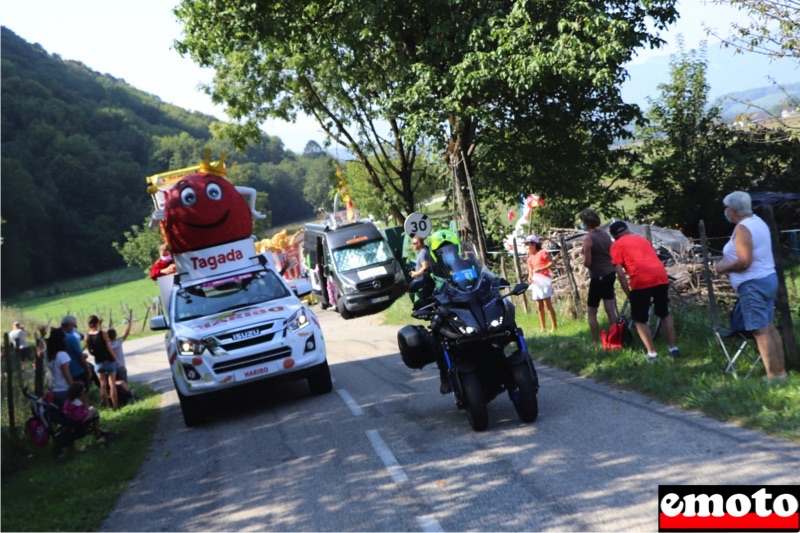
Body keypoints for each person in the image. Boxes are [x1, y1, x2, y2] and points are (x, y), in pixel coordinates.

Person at [715, 191, 787, 382]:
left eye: (726, 208)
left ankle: (773, 376)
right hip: (767, 278)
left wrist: (723, 266)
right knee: (769, 327)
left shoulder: (743, 229)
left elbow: (744, 262)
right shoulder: (757, 222)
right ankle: (781, 372)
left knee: (760, 330)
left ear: (732, 210)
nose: (725, 212)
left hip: (753, 283)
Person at [609, 221, 680, 360]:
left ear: (614, 236)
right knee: (664, 314)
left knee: (639, 319)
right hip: (660, 276)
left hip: (641, 280)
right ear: (627, 230)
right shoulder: (642, 239)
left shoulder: (616, 245)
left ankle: (652, 353)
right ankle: (673, 349)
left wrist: (629, 294)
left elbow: (621, 274)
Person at [578, 209, 619, 344]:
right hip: (610, 272)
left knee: (592, 311)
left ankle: (596, 341)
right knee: (610, 308)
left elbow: (588, 263)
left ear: (585, 222)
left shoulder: (588, 238)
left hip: (598, 275)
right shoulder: (605, 235)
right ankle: (616, 338)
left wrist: (583, 256)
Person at [524, 235, 557, 333]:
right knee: (539, 305)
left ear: (534, 244)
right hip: (536, 282)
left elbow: (552, 263)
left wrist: (541, 269)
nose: (526, 247)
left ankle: (554, 326)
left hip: (544, 280)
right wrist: (530, 277)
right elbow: (530, 271)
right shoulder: (530, 259)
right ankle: (543, 327)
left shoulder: (542, 253)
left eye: (528, 244)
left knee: (547, 304)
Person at [85, 315, 119, 410]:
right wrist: (115, 359)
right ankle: (115, 405)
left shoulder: (87, 337)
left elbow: (90, 351)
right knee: (112, 384)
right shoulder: (103, 334)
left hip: (98, 363)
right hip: (108, 360)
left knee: (102, 385)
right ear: (97, 323)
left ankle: (107, 405)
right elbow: (109, 348)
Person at [44, 328, 73, 405]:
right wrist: (73, 386)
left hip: (52, 389)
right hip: (64, 389)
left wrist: (42, 337)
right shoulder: (62, 355)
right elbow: (66, 374)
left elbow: (38, 352)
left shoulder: (46, 353)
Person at [61, 316, 92, 387]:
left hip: (64, 374)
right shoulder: (71, 338)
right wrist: (88, 370)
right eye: (74, 326)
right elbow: (80, 356)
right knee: (83, 394)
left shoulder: (57, 337)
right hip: (78, 371)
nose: (75, 328)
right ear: (69, 326)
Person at [407, 236, 434, 304]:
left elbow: (425, 267)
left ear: (418, 243)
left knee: (413, 292)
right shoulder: (424, 250)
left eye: (413, 243)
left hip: (425, 280)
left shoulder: (422, 253)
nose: (412, 245)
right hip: (426, 279)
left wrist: (415, 274)